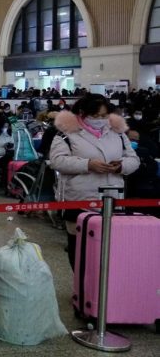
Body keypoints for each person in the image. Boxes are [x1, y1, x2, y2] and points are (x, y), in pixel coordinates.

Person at [50, 94, 139, 267]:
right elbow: (57, 161)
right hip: (80, 199)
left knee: (108, 250)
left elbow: (133, 159)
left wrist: (121, 166)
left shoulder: (118, 134)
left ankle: (104, 290)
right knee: (80, 251)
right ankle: (82, 289)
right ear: (82, 113)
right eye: (95, 116)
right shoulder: (67, 135)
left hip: (112, 197)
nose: (100, 120)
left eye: (104, 116)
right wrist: (88, 164)